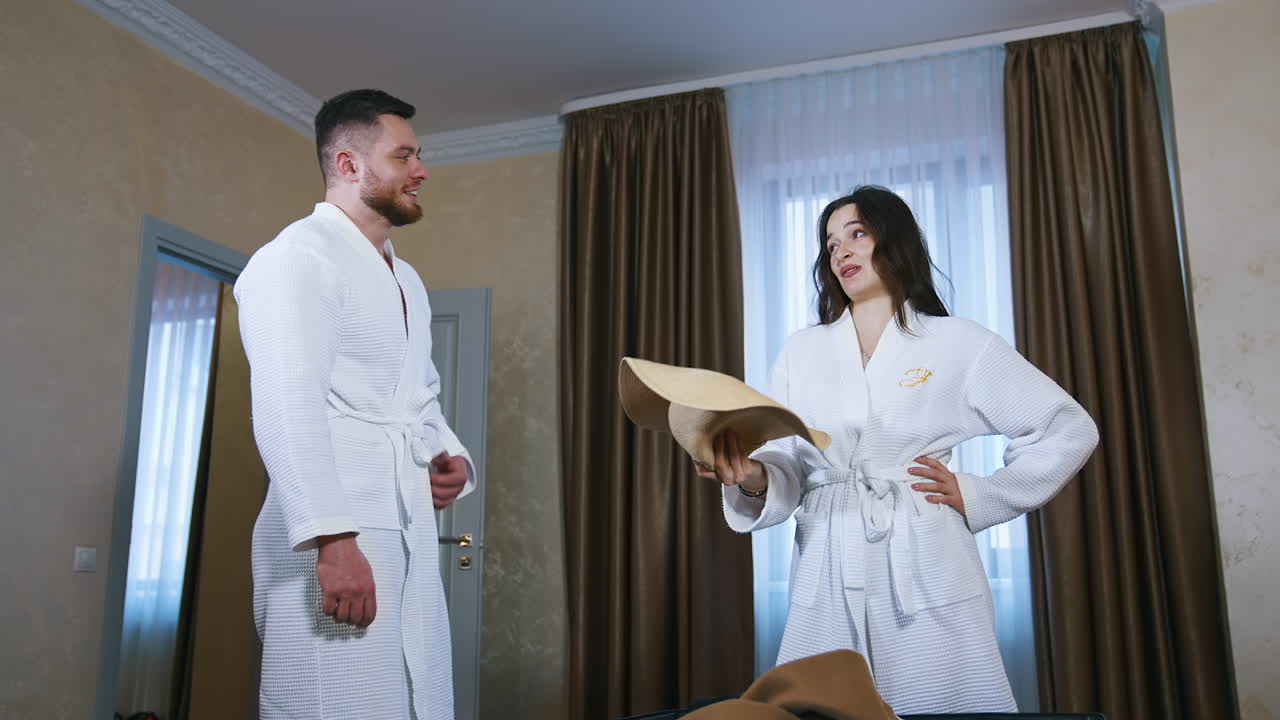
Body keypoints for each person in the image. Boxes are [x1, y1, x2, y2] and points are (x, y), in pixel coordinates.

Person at [695, 185, 1098, 714]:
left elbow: (1066, 427)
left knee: (942, 702)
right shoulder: (803, 351)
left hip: (925, 551)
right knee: (821, 702)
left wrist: (981, 494)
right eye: (831, 243)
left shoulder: (958, 343)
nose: (841, 251)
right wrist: (752, 476)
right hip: (827, 555)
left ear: (895, 241)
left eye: (857, 234)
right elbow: (792, 461)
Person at [235, 89, 473, 719]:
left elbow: (415, 392)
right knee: (329, 695)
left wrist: (445, 450)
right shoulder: (294, 260)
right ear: (348, 164)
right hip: (335, 530)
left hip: (401, 524)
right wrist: (333, 542)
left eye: (418, 156)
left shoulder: (406, 278)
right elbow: (288, 406)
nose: (421, 171)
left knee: (409, 690)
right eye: (404, 157)